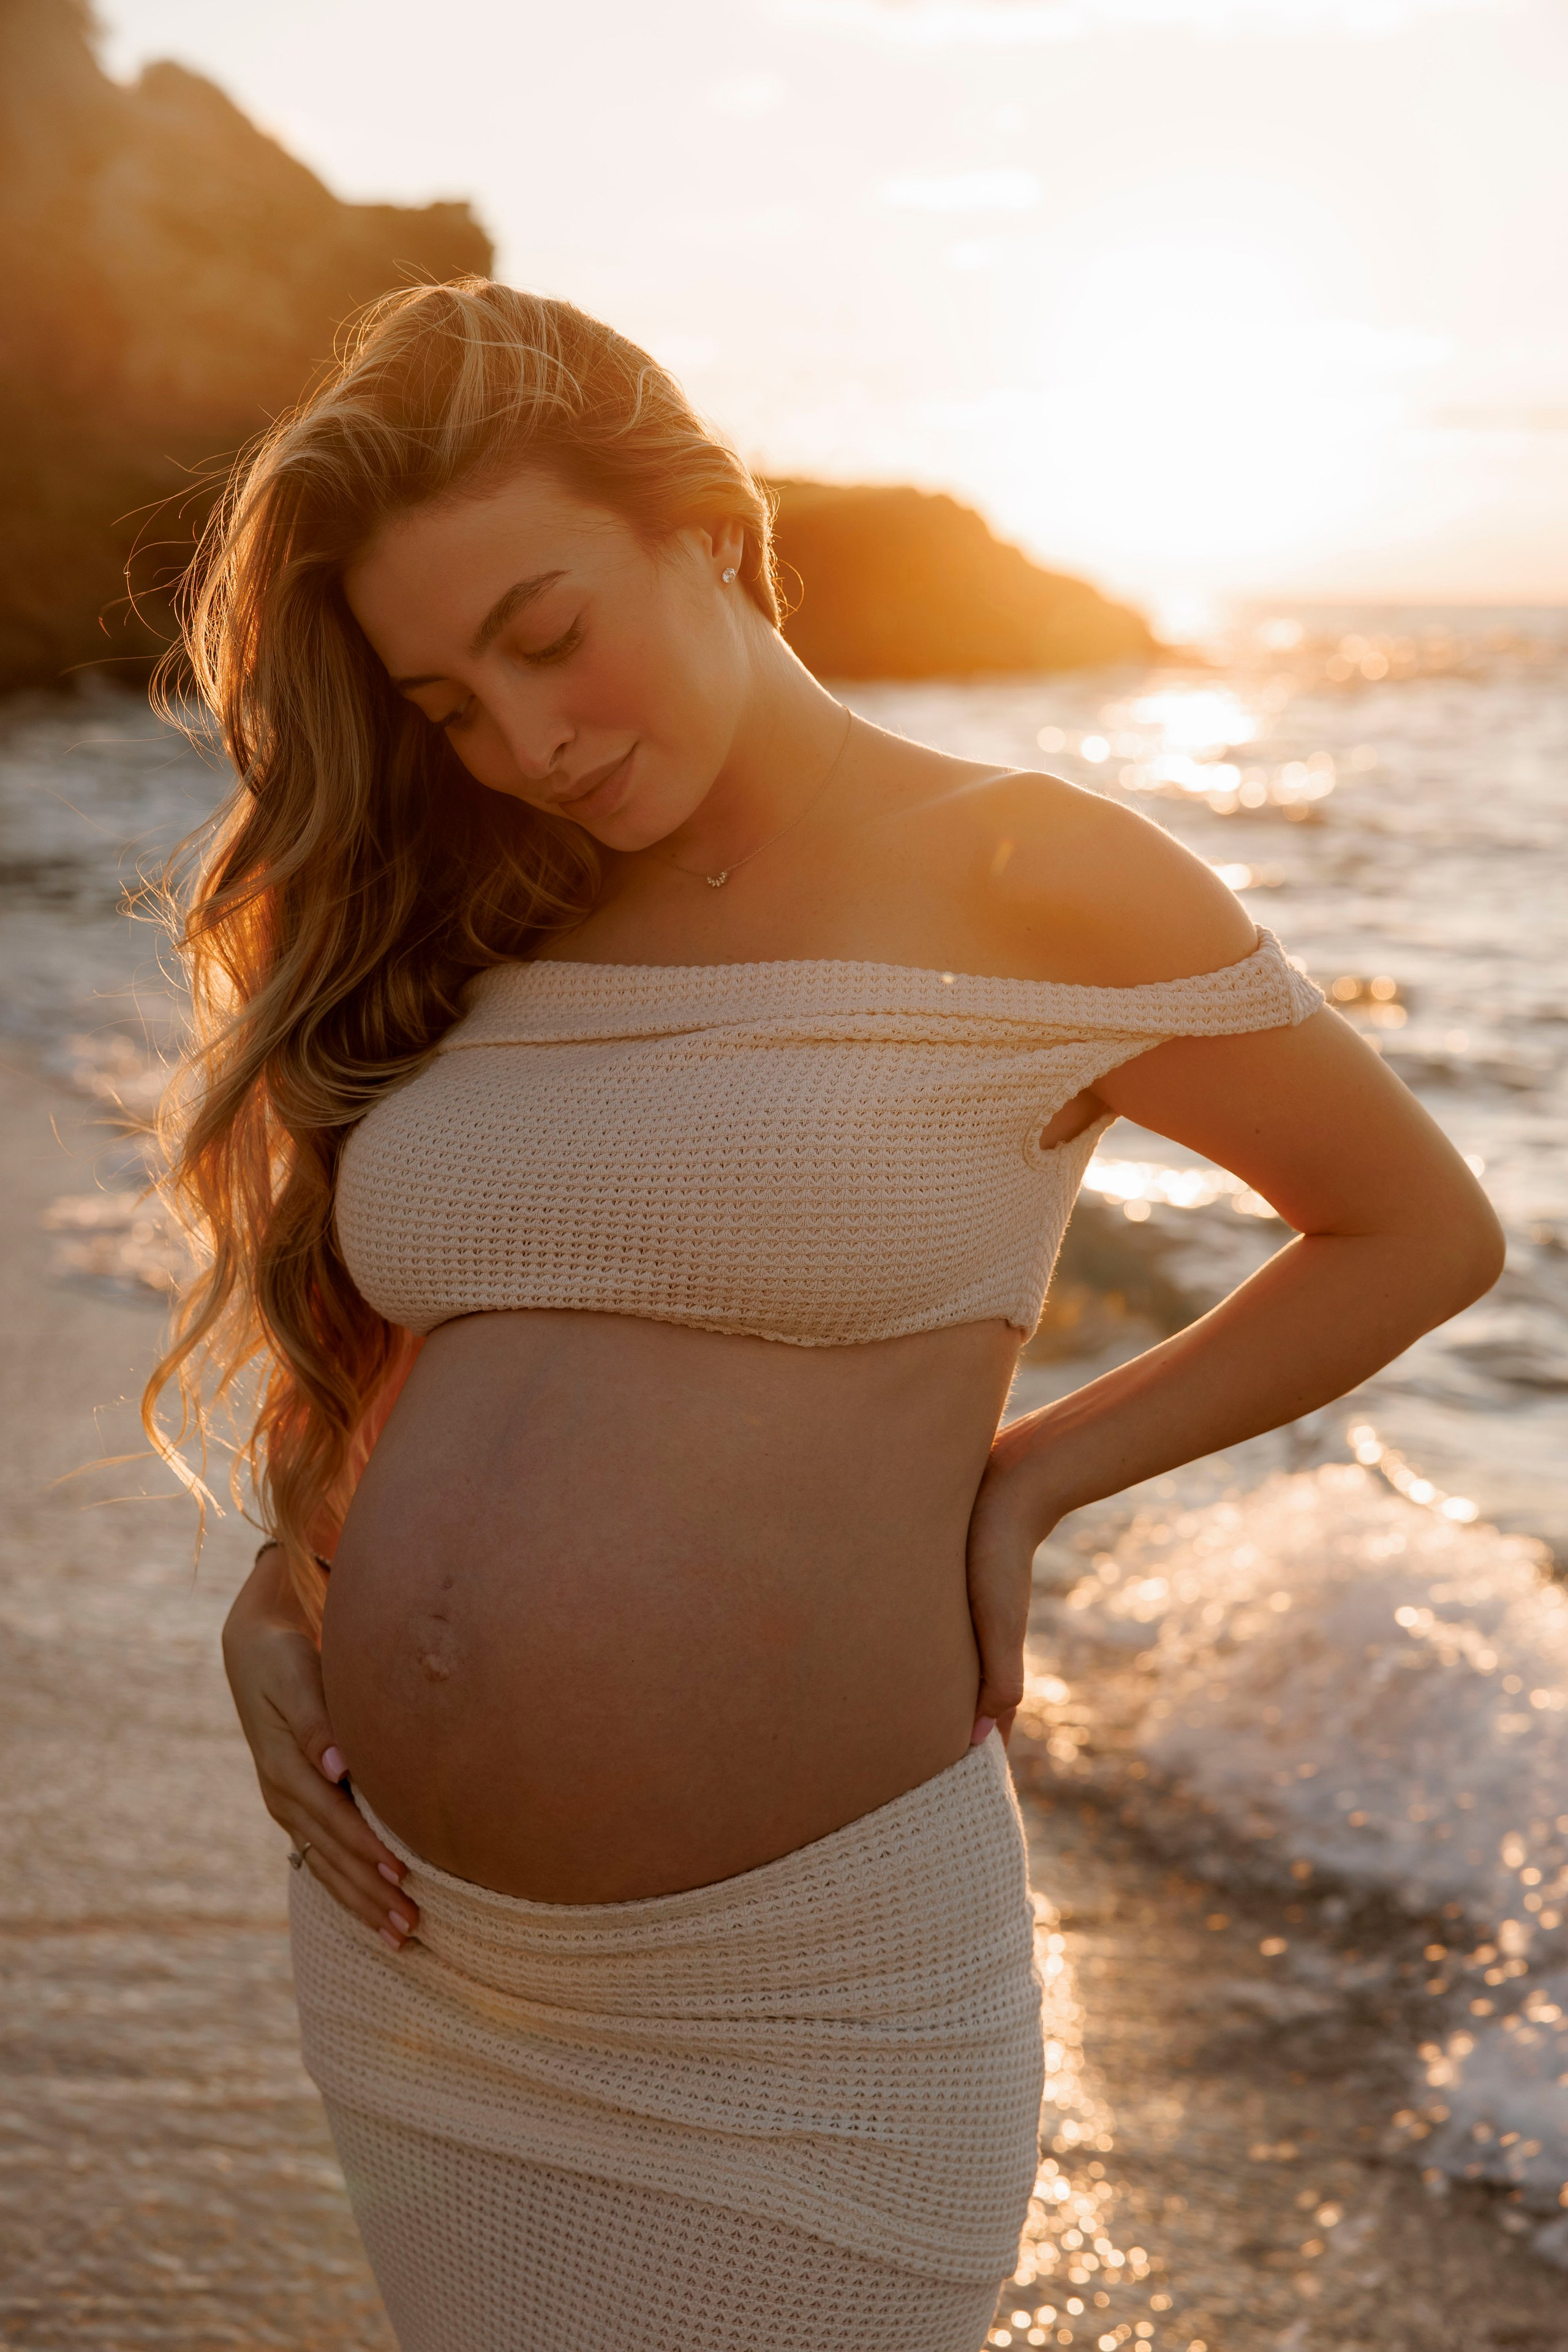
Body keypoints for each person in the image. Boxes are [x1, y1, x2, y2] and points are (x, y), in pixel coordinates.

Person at [148, 278, 1502, 2352]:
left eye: (546, 632)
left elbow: (1416, 1231)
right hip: (424, 1973)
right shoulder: (492, 911)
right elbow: (423, 1332)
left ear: (706, 523)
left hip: (806, 2012)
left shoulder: (1035, 875)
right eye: (447, 705)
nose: (532, 740)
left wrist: (1034, 1481)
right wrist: (280, 1586)